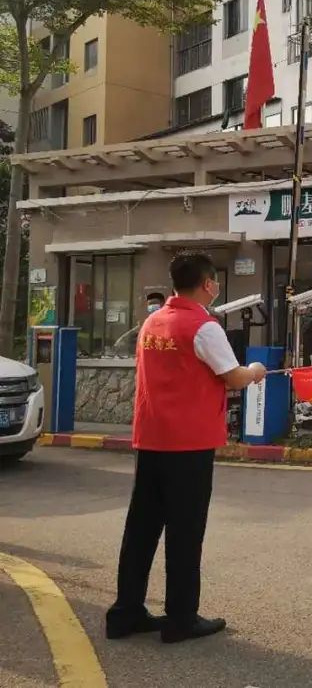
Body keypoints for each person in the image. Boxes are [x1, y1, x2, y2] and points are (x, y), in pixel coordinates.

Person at [106, 254, 267, 644]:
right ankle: (181, 618)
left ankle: (126, 612)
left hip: (151, 438)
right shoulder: (203, 327)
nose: (217, 288)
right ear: (208, 284)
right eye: (215, 282)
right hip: (189, 443)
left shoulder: (152, 322)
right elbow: (232, 377)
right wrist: (255, 372)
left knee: (141, 528)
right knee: (185, 531)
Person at [112, 292, 167, 356]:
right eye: (149, 305)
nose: (152, 308)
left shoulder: (168, 329)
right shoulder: (130, 337)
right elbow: (119, 349)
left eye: (155, 304)